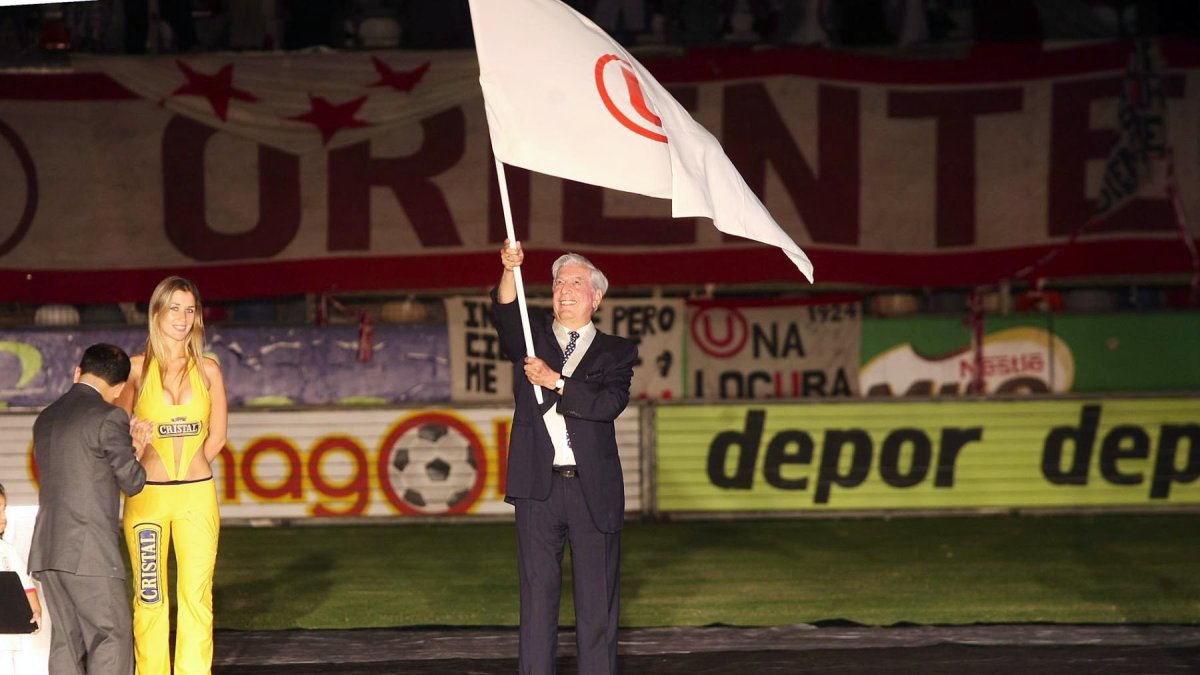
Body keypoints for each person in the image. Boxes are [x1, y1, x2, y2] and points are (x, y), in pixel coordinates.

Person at [492, 240, 637, 675]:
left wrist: (556, 381)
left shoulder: (617, 351)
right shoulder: (531, 334)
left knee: (597, 606)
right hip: (538, 488)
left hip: (594, 490)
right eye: (558, 281)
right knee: (537, 603)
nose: (564, 288)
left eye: (576, 281)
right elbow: (504, 311)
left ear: (596, 296)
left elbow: (608, 404)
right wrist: (507, 269)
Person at [117, 276, 227, 675]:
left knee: (197, 596)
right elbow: (116, 434)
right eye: (174, 308)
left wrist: (195, 470)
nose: (182, 318)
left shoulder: (210, 370)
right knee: (149, 596)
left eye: (190, 309)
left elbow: (217, 437)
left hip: (197, 497)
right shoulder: (133, 370)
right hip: (148, 497)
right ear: (156, 312)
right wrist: (135, 443)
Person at [28, 343, 150, 675]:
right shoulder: (109, 417)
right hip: (89, 551)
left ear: (78, 372)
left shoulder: (46, 416)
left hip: (49, 549)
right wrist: (137, 445)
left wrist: (127, 446)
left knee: (67, 642)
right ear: (121, 388)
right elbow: (133, 481)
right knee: (112, 636)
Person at [0, 482, 42, 675]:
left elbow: (25, 583)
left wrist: (35, 610)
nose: (3, 518)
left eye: (3, 510)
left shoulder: (7, 550)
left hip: (6, 635)